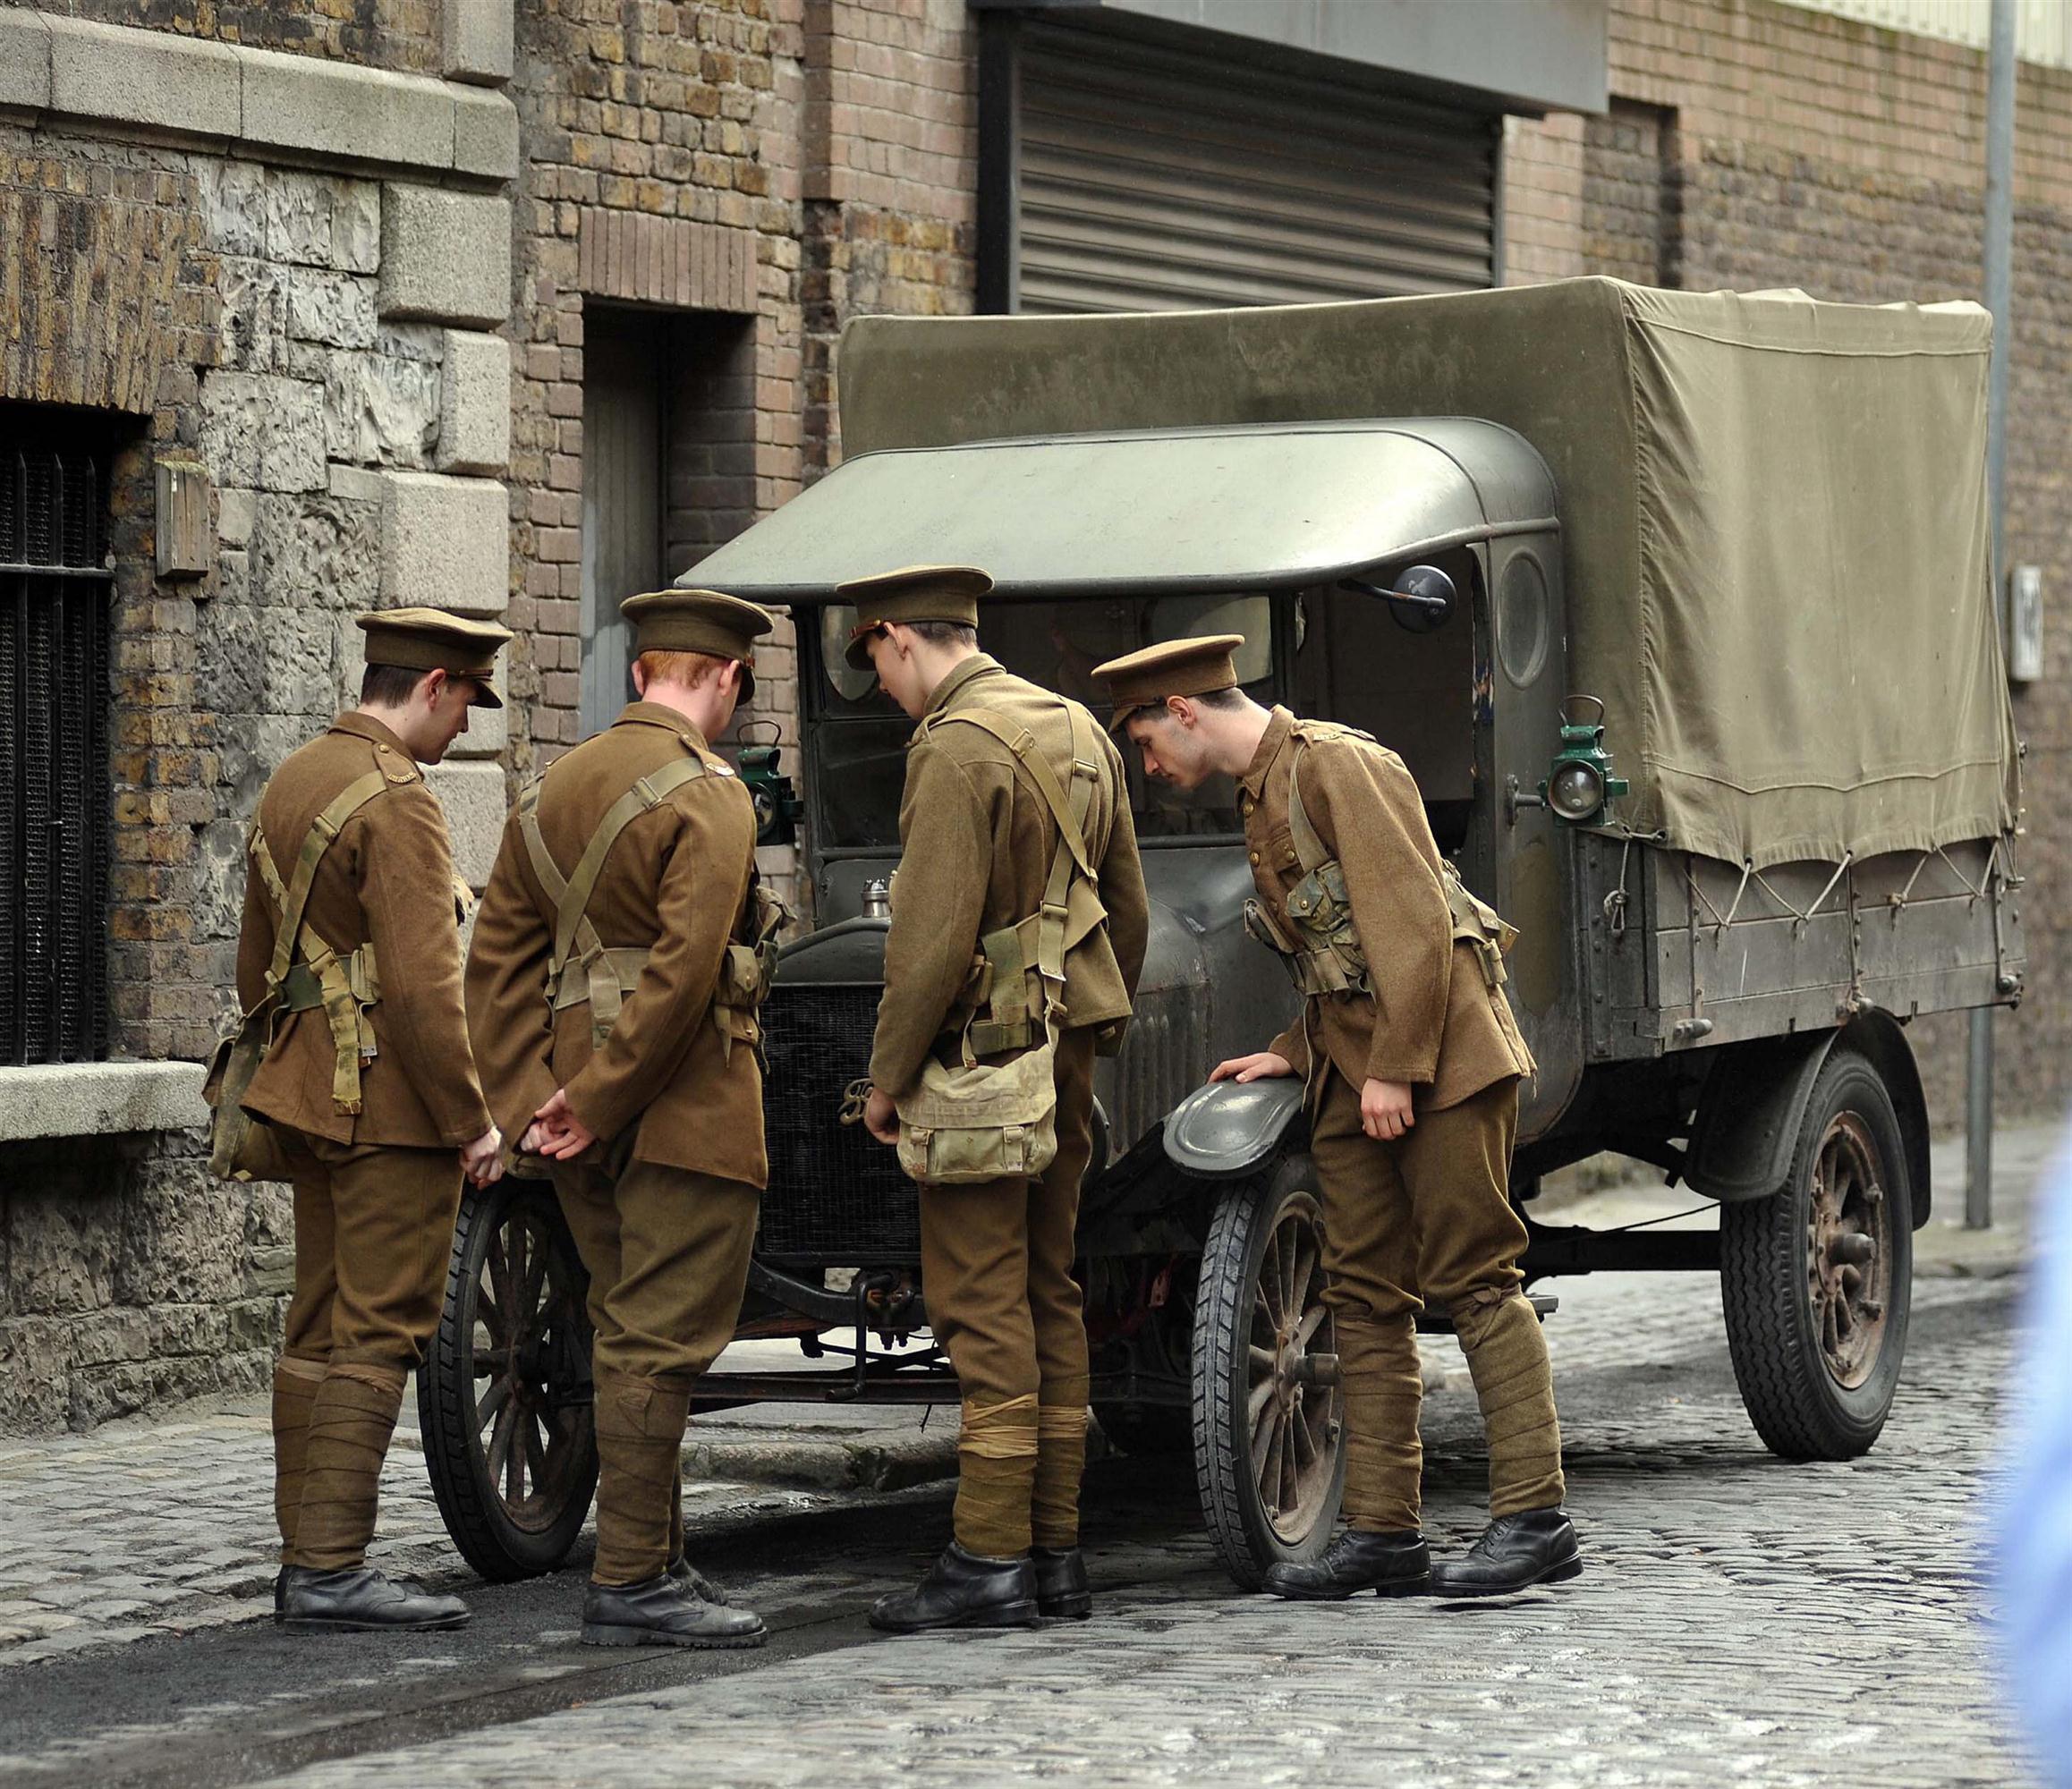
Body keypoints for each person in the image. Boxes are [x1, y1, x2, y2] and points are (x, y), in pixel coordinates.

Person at [1092, 634, 1577, 1599]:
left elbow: (1418, 930)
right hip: (1352, 1068)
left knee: (1475, 1274)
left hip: (1443, 1060)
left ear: (1185, 709)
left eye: (1147, 740)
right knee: (1360, 1292)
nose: (1150, 767)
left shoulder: (1339, 765)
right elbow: (1338, 953)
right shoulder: (1262, 789)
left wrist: (1396, 1068)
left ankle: (1534, 1515)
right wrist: (1296, 1048)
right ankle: (1383, 1533)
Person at [465, 589, 782, 1650]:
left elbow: (496, 961)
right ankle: (635, 1575)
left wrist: (533, 1107)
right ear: (726, 677)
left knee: (623, 1320)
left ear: (640, 671)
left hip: (570, 1117)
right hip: (685, 1108)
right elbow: (688, 976)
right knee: (660, 1335)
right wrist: (597, 1106)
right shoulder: (712, 796)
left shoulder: (554, 786)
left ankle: (659, 1557)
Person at [846, 565, 1149, 1632]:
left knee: (978, 1303)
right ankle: (1055, 1552)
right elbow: (1128, 908)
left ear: (896, 637)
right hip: (1061, 1051)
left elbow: (925, 946)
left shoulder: (953, 747)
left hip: (977, 1061)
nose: (881, 687)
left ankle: (984, 1558)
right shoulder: (1076, 728)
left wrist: (886, 1083)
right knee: (1047, 1287)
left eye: (874, 662)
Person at [234, 606, 512, 1633]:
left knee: (317, 1316)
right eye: (463, 708)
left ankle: (304, 1557)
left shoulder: (296, 776)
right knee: (383, 1323)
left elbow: (254, 966)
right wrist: (471, 1121)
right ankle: (334, 1566)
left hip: (310, 1093)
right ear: (435, 683)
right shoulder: (399, 801)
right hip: (394, 1107)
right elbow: (428, 989)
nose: (459, 736)